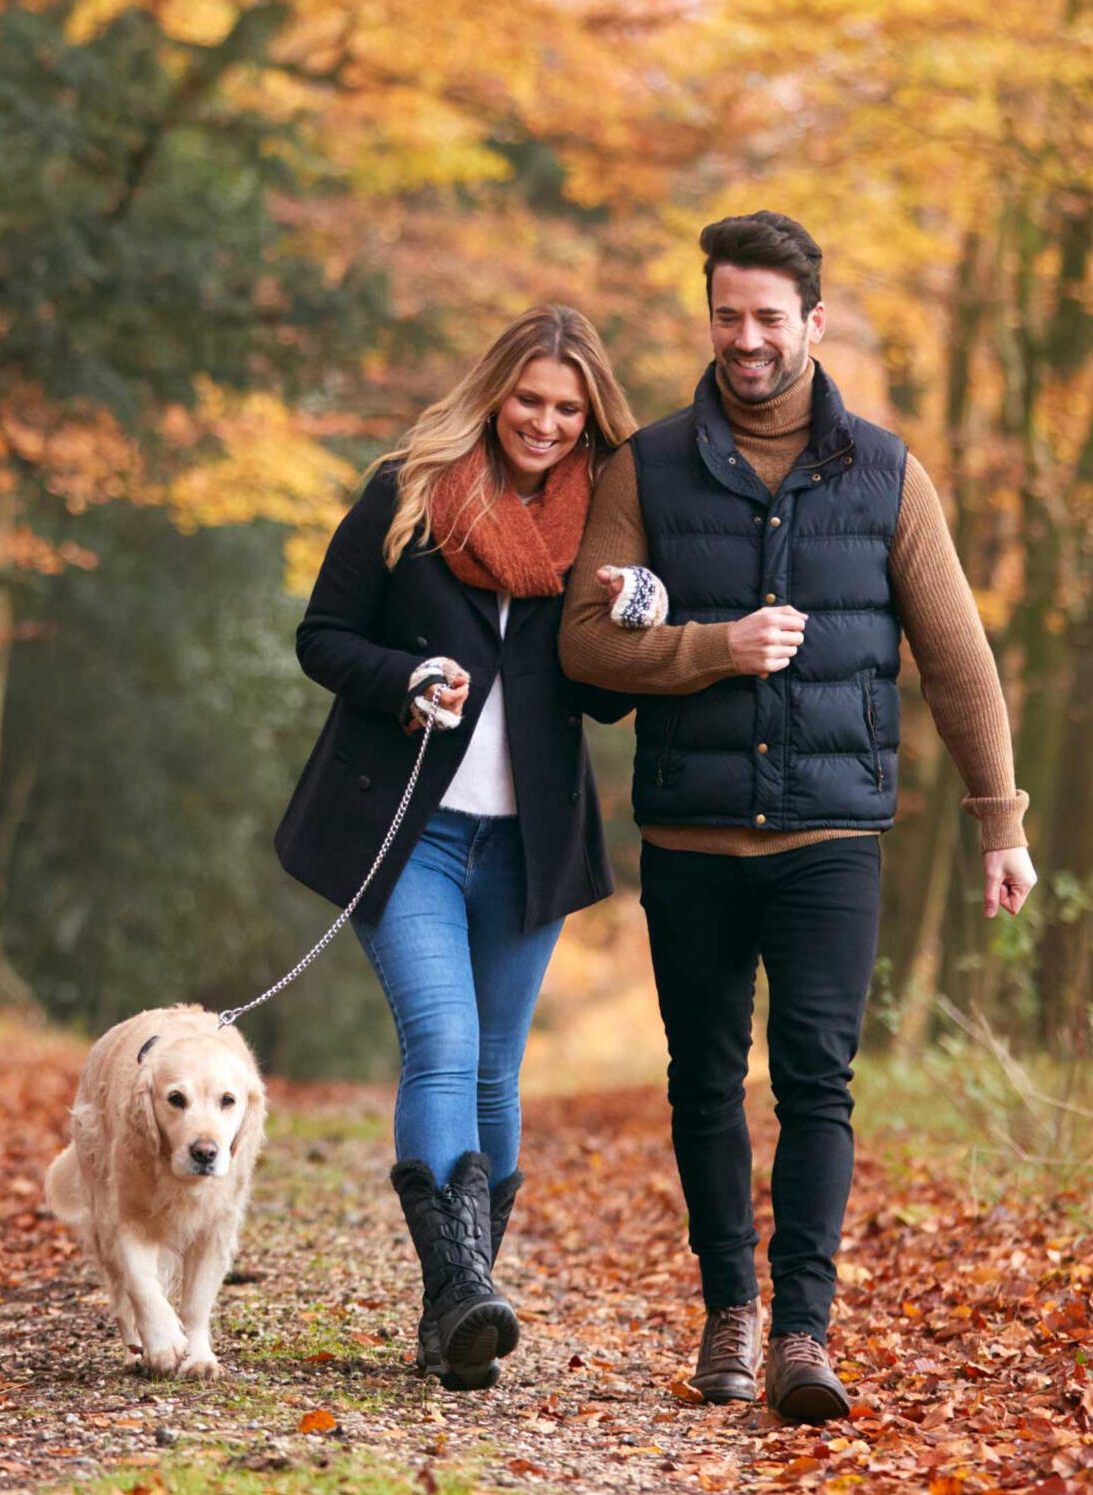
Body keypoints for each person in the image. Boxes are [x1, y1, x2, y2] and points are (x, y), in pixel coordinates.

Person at [558, 212, 1038, 1424]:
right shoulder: (646, 469)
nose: (747, 339)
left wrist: (1000, 821)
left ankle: (803, 1334)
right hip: (690, 837)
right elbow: (581, 643)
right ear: (708, 317)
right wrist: (712, 649)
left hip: (832, 839)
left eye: (770, 318)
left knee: (817, 1082)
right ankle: (729, 1313)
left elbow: (959, 659)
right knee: (705, 1083)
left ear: (813, 324)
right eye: (728, 315)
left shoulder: (885, 474)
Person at [275, 305, 659, 1392]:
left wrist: (634, 613)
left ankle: (462, 1312)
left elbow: (605, 703)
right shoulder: (410, 488)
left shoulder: (605, 524)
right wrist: (400, 678)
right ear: (496, 392)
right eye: (528, 399)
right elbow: (322, 635)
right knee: (442, 1039)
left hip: (530, 842)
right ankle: (457, 1292)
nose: (542, 422)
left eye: (565, 408)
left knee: (496, 1063)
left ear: (590, 419)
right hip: (410, 831)